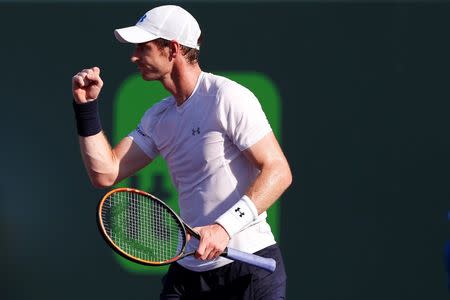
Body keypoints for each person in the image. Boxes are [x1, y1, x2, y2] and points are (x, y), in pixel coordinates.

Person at [72, 5, 292, 299]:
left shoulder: (226, 97)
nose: (134, 56)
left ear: (173, 49)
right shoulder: (157, 117)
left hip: (247, 270)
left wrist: (224, 227)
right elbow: (105, 172)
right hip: (189, 273)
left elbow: (278, 170)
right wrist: (86, 108)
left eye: (144, 47)